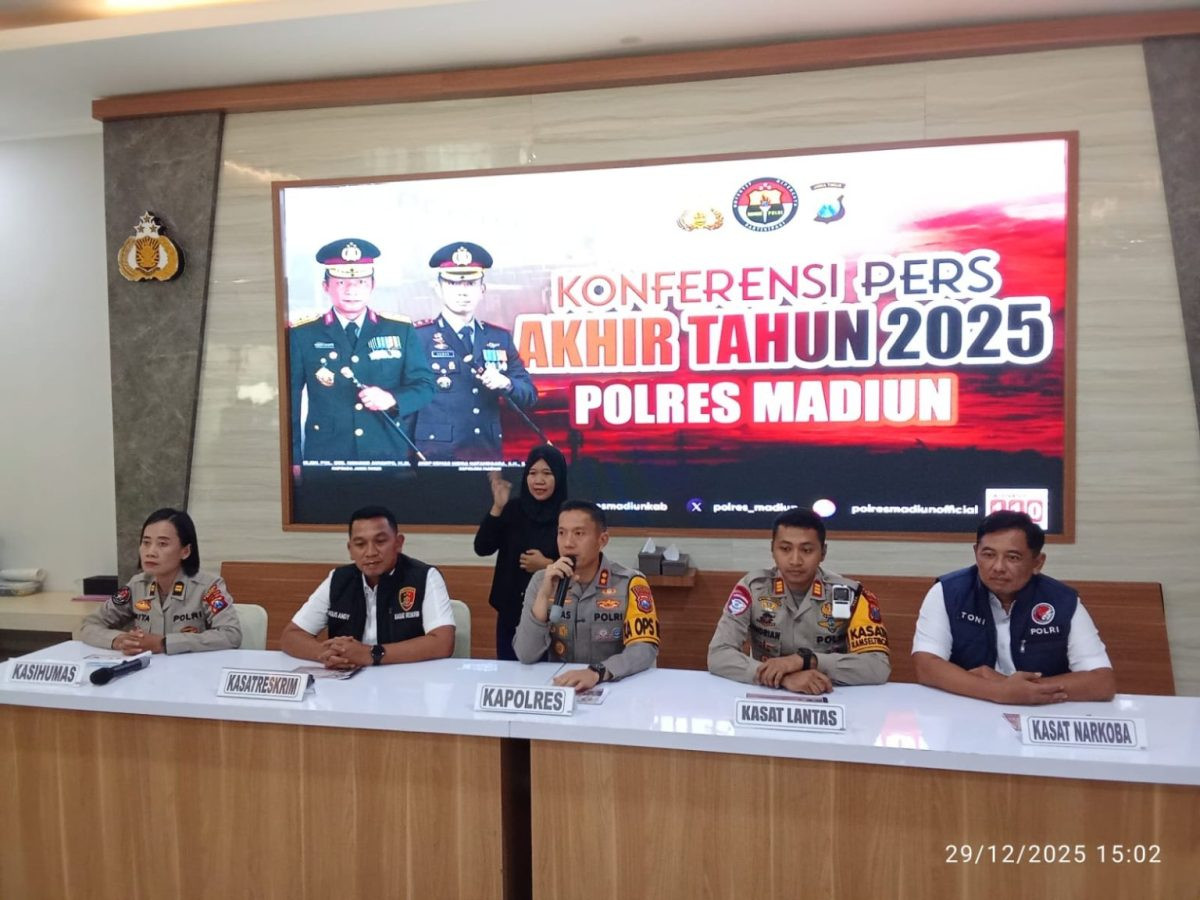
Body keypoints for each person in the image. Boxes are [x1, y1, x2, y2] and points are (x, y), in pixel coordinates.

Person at [912, 510, 1115, 704]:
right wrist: (999, 691)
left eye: (1013, 558)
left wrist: (1016, 689)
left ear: (1038, 562)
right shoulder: (947, 593)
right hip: (967, 709)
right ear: (976, 553)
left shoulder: (1062, 601)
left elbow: (1101, 681)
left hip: (1039, 714)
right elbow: (927, 666)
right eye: (988, 555)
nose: (998, 567)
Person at [707, 507, 889, 694]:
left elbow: (878, 666)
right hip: (766, 695)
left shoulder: (851, 595)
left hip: (829, 695)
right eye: (785, 549)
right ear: (772, 549)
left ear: (823, 552)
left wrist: (807, 661)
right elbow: (718, 654)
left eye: (807, 550)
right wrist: (783, 678)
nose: (795, 560)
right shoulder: (752, 588)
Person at [288, 238, 435, 470]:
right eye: (341, 282)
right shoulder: (303, 334)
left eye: (360, 282)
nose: (351, 290)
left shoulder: (400, 329)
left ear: (372, 285)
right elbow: (290, 401)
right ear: (325, 286)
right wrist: (293, 459)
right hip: (327, 456)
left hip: (386, 452)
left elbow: (425, 386)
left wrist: (392, 399)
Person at [280, 505, 455, 668]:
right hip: (348, 682)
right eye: (360, 544)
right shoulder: (339, 579)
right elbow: (291, 636)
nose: (370, 552)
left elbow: (442, 643)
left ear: (398, 543)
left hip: (408, 681)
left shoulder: (424, 577)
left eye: (380, 541)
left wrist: (372, 654)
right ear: (350, 549)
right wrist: (327, 654)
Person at [513, 500, 658, 689]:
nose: (568, 543)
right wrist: (542, 596)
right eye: (561, 533)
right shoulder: (542, 581)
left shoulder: (630, 582)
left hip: (615, 685)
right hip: (561, 688)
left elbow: (644, 649)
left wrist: (597, 672)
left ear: (602, 540)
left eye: (579, 533)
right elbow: (525, 655)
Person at [413, 242, 537, 462]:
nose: (462, 291)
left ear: (482, 290)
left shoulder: (499, 338)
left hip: (486, 453)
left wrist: (506, 383)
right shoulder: (418, 338)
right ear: (438, 289)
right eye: (453, 283)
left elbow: (529, 395)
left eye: (470, 283)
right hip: (435, 456)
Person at [81, 508, 241, 654]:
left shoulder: (208, 586)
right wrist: (118, 640)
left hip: (193, 671)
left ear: (185, 551)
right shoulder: (136, 585)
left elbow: (231, 634)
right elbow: (89, 624)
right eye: (146, 543)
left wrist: (164, 644)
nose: (150, 552)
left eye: (162, 544)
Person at [473, 444, 568, 660]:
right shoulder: (513, 509)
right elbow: (482, 547)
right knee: (510, 670)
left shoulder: (568, 514)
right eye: (532, 473)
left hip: (555, 612)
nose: (538, 480)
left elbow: (580, 562)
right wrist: (498, 507)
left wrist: (546, 566)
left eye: (547, 473)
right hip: (510, 611)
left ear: (559, 476)